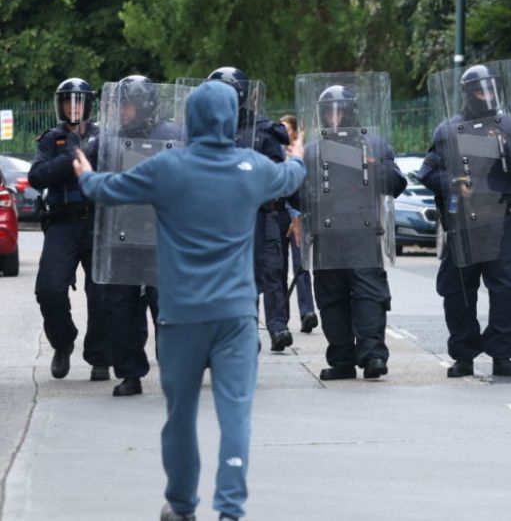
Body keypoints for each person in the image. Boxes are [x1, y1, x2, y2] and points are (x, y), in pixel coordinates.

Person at [74, 80, 306, 521]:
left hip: (181, 317)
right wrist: (297, 156)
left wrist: (85, 173)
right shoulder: (252, 167)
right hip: (236, 316)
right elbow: (291, 177)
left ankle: (181, 506)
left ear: (191, 120)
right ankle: (231, 509)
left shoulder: (168, 168)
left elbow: (107, 190)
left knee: (180, 415)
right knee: (235, 414)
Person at [419, 64, 511, 378]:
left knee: (508, 291)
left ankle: (502, 354)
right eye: (479, 90)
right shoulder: (448, 129)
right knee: (457, 292)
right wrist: (452, 182)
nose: (486, 96)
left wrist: (507, 145)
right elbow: (428, 171)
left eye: (490, 89)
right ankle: (464, 355)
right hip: (462, 226)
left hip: (502, 220)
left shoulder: (510, 127)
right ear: (468, 92)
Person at [304, 83, 407, 380]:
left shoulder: (373, 146)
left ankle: (373, 355)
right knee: (331, 297)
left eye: (340, 110)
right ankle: (341, 359)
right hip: (326, 235)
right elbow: (301, 192)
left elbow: (396, 185)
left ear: (351, 112)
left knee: (369, 295)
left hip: (363, 232)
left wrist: (371, 166)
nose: (334, 117)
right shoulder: (313, 151)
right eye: (328, 111)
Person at [208, 67, 297, 351]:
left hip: (263, 213)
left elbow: (278, 174)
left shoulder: (263, 131)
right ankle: (247, 332)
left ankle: (278, 326)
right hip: (224, 219)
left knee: (272, 270)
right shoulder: (208, 130)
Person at [29, 78, 111, 382]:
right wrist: (72, 157)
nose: (73, 107)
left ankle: (100, 357)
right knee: (49, 290)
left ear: (88, 104)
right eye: (68, 101)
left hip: (98, 222)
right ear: (61, 105)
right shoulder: (53, 139)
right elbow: (37, 176)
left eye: (78, 101)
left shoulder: (105, 136)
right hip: (62, 222)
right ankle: (62, 343)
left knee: (103, 293)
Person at [102, 75, 169, 397]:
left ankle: (176, 368)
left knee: (166, 306)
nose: (122, 112)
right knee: (121, 306)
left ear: (143, 106)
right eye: (119, 105)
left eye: (127, 106)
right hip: (121, 233)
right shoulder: (109, 140)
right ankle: (130, 372)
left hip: (161, 236)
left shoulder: (172, 136)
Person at [280, 114, 318, 333]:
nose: (283, 132)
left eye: (286, 128)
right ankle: (281, 318)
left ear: (295, 131)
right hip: (280, 216)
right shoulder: (276, 152)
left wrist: (298, 215)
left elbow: (302, 187)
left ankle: (307, 312)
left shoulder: (300, 154)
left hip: (298, 216)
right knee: (279, 268)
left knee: (301, 265)